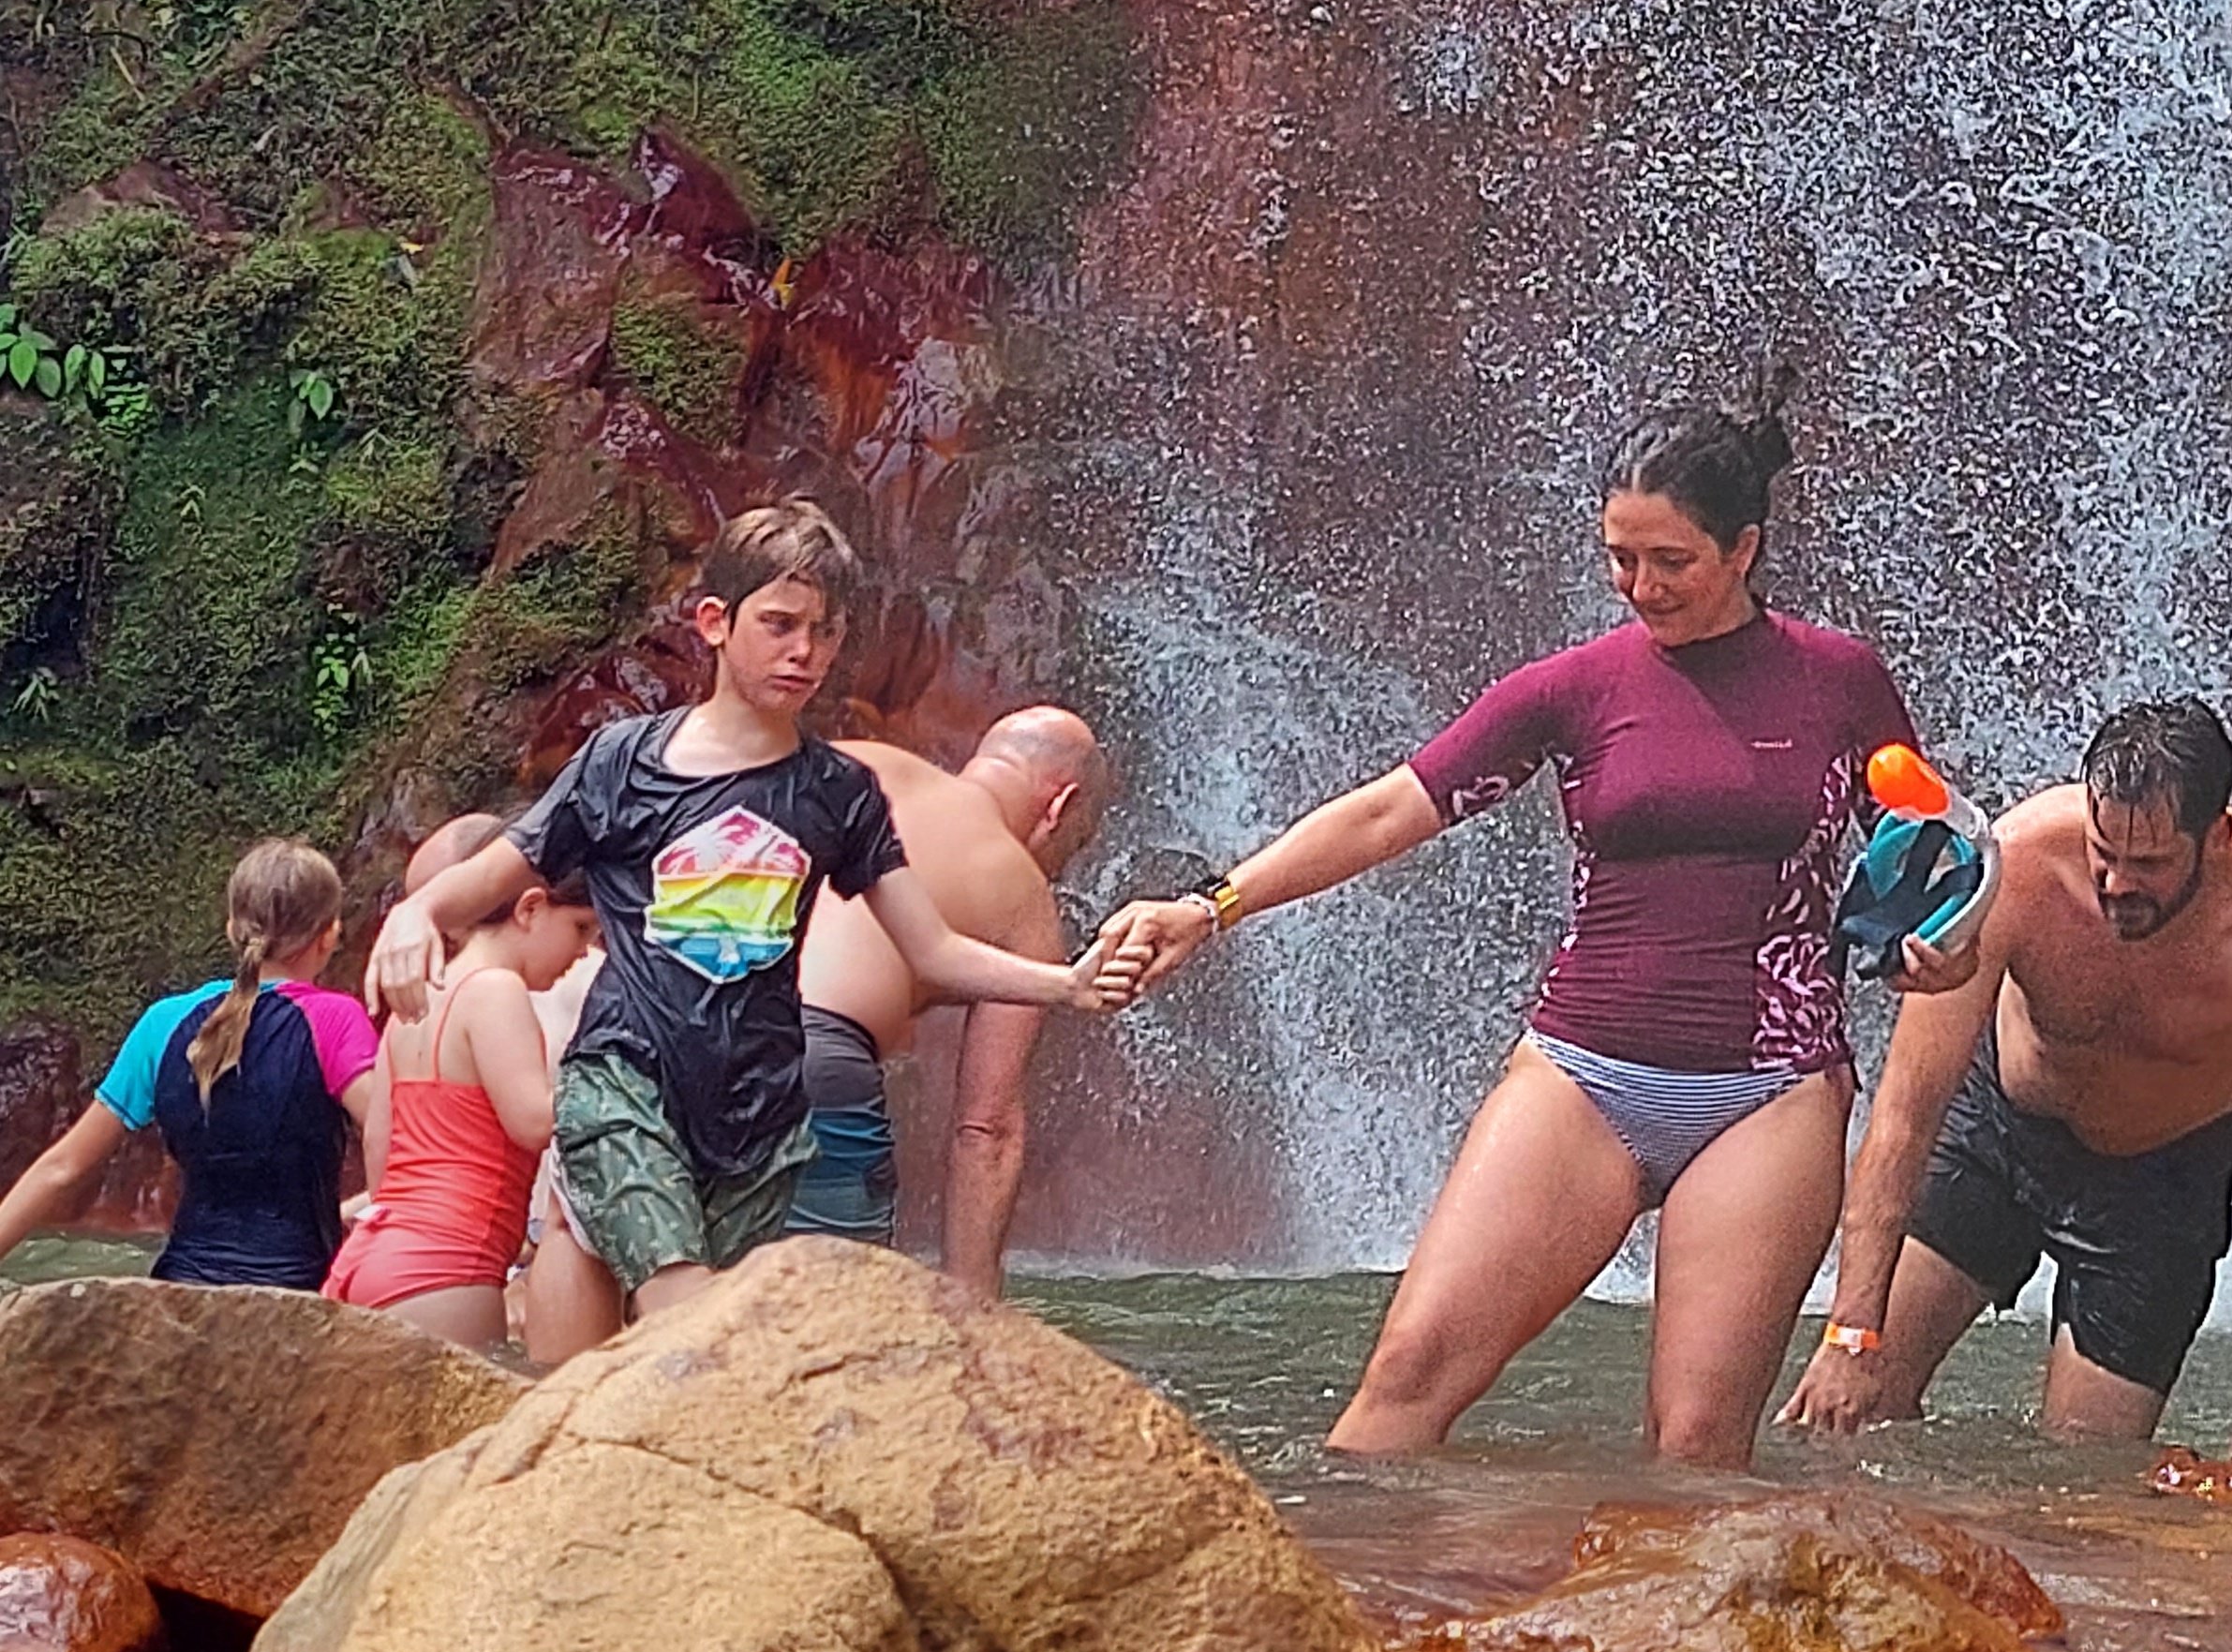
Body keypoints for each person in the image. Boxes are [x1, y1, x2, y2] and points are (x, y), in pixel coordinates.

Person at [1091, 375, 1917, 1464]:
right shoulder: (1575, 687)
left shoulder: (1838, 682)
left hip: (1768, 1090)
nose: (1641, 587)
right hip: (1586, 1071)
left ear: (1744, 549)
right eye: (1620, 558)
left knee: (1696, 1438)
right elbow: (1391, 808)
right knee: (1406, 1376)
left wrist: (1932, 944)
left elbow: (1925, 856)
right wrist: (1213, 904)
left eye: (1671, 560)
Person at [369, 499, 1114, 1339]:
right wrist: (418, 912)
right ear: (715, 622)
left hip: (760, 1110)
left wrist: (1065, 983)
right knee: (681, 1303)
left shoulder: (839, 791)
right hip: (627, 1079)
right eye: (780, 624)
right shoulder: (622, 761)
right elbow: (495, 875)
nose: (804, 652)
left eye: (825, 633)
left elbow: (933, 948)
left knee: (738, 1330)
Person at [1783, 699, 2232, 1444]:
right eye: (2102, 851)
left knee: (2082, 1472)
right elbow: (1903, 1119)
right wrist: (1849, 1333)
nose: (2116, 884)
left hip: (2160, 1183)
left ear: (2216, 838)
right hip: (1997, 1131)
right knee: (1852, 1407)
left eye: (2149, 864)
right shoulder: (2017, 866)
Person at [787, 706, 1109, 1289]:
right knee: (822, 1320)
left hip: (670, 1031)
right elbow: (986, 1130)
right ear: (1059, 807)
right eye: (1077, 844)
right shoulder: (1023, 898)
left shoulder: (859, 762)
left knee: (667, 1310)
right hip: (816, 1067)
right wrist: (973, 1308)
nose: (1062, 869)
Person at [0, 840, 380, 1288]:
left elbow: (61, 1169)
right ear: (330, 935)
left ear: (231, 929)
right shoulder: (335, 1020)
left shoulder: (163, 1022)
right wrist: (366, 1213)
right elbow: (397, 1145)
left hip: (180, 1292)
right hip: (301, 1295)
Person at [325, 867, 600, 1344]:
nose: (584, 951)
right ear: (530, 908)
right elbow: (534, 1122)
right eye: (580, 927)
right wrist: (618, 1082)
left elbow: (379, 1145)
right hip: (446, 1271)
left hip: (372, 1259)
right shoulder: (496, 989)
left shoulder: (415, 1005)